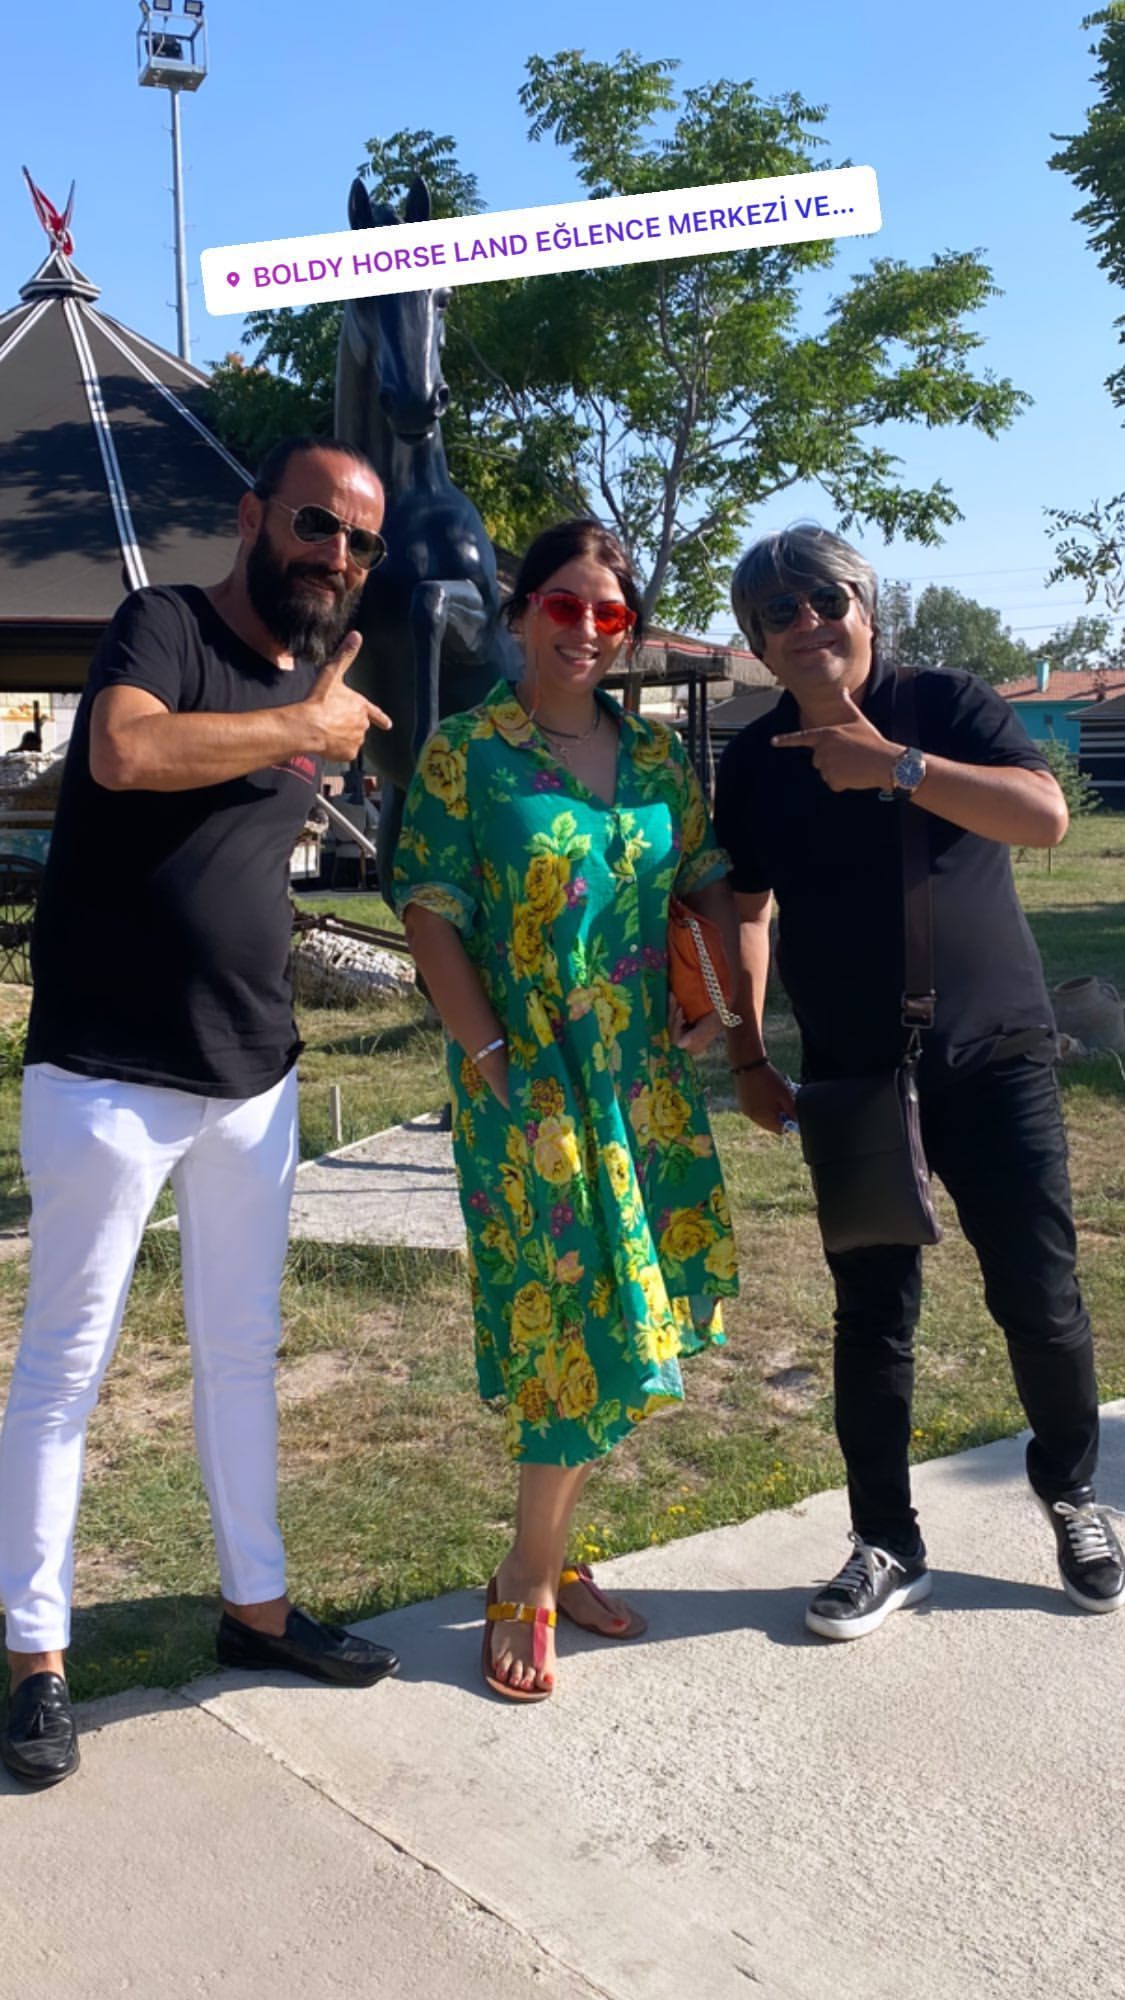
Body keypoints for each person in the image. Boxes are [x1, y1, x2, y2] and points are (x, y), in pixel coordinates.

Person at [0, 437, 400, 1789]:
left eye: (356, 542)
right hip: (108, 1075)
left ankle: (257, 1610)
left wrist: (319, 728)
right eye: (314, 524)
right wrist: (301, 729)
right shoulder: (162, 625)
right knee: (66, 1368)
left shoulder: (316, 674)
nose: (333, 555)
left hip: (253, 1078)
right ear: (253, 517)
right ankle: (36, 1659)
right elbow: (122, 753)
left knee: (242, 1352)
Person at [714, 524, 1125, 1639]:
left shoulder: (943, 703)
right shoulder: (754, 763)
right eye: (778, 613)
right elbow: (743, 911)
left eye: (825, 601)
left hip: (995, 1058)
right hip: (851, 1078)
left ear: (866, 607)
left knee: (1038, 1296)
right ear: (757, 641)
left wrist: (896, 765)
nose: (808, 625)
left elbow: (1043, 817)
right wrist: (747, 1055)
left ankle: (1073, 1494)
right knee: (872, 1316)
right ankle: (886, 1542)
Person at [393, 518, 739, 1700]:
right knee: (568, 1329)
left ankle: (549, 1549)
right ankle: (527, 1573)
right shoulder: (467, 751)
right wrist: (490, 1054)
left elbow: (709, 881)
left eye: (609, 612)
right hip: (532, 1086)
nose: (586, 628)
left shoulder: (655, 758)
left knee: (631, 1322)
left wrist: (724, 1005)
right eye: (563, 604)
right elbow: (428, 908)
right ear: (520, 610)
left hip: (643, 1083)